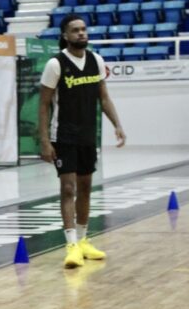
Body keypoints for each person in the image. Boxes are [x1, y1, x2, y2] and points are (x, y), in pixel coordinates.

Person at [38, 13, 126, 269]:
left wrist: (117, 124)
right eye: (76, 30)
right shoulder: (55, 64)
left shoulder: (96, 60)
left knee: (86, 188)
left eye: (84, 29)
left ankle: (84, 239)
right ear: (65, 35)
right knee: (68, 188)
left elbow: (104, 97)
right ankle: (71, 244)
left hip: (88, 135)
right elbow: (43, 105)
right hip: (63, 135)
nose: (81, 33)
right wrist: (44, 141)